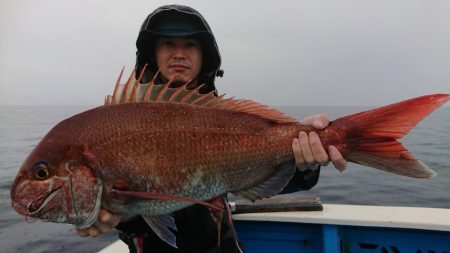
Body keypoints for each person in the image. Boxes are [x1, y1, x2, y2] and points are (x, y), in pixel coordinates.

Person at [76, 4, 347, 253]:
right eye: (168, 43)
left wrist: (305, 163)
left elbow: (254, 181)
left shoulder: (223, 117)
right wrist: (121, 217)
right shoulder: (123, 122)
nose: (179, 53)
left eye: (190, 44)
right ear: (152, 53)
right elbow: (137, 213)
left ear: (205, 56)